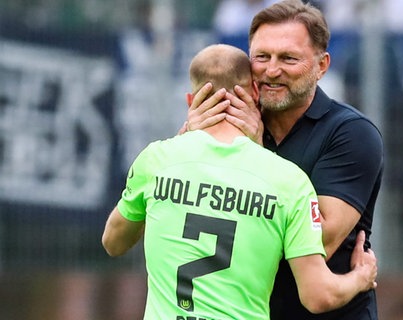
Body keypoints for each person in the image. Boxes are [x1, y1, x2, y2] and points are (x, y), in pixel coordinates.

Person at [102, 44, 377, 320]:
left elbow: (113, 242)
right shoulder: (288, 181)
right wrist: (361, 277)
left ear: (190, 101)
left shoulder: (158, 160)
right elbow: (318, 295)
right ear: (255, 93)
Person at [183, 1, 384, 319]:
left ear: (322, 66)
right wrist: (191, 144)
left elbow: (318, 241)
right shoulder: (228, 123)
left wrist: (253, 151)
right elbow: (179, 206)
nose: (271, 70)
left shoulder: (351, 134)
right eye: (261, 57)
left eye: (288, 58)